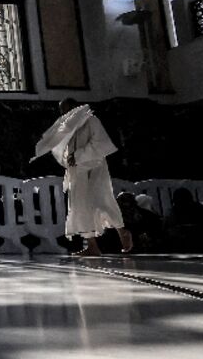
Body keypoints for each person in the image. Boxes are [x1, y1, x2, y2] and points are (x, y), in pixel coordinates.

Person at [33, 99, 132, 257]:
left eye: (68, 109)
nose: (66, 114)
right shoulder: (67, 128)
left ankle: (122, 231)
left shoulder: (91, 120)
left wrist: (78, 155)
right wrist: (69, 158)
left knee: (101, 200)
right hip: (77, 171)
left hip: (94, 167)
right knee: (80, 206)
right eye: (63, 111)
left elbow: (101, 144)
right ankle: (92, 246)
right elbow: (64, 149)